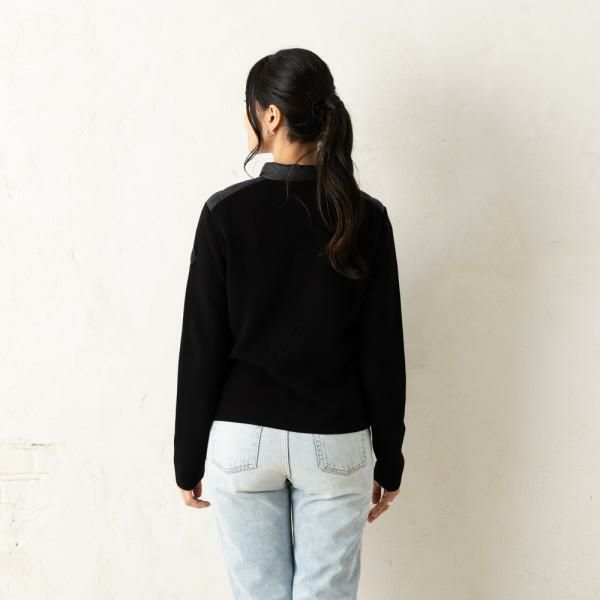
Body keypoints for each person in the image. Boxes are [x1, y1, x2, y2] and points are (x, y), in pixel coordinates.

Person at [173, 47, 407, 600]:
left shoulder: (224, 213)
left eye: (251, 108)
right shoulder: (365, 217)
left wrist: (187, 458)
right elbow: (382, 352)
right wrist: (390, 459)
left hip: (241, 441)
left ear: (272, 116)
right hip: (335, 440)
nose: (249, 119)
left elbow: (202, 346)